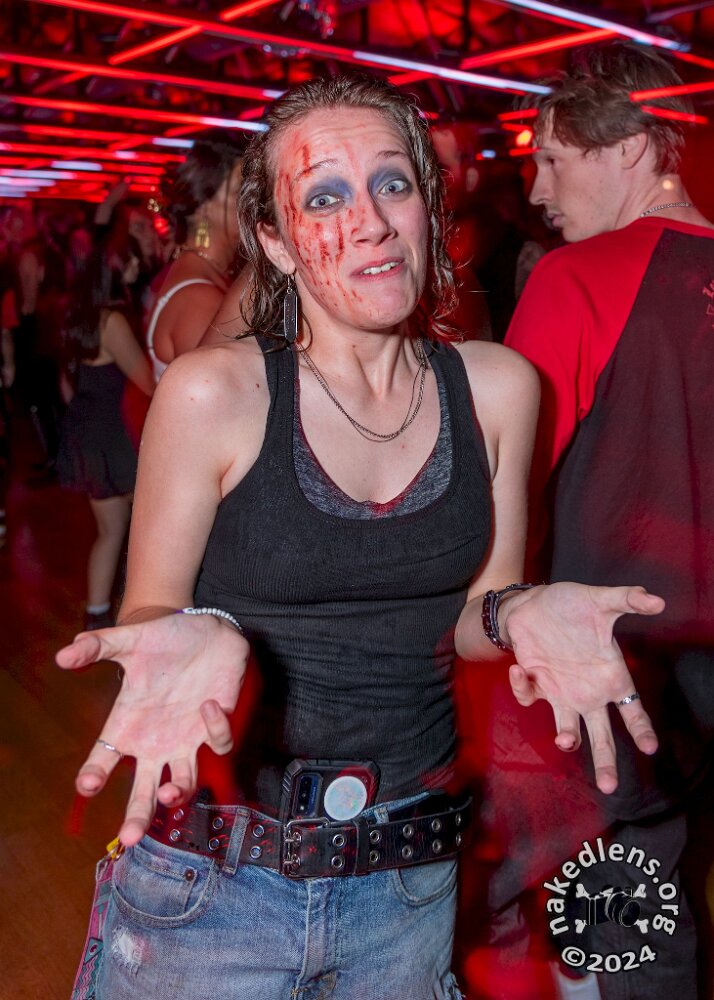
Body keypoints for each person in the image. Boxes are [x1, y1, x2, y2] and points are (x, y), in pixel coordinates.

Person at [57, 74, 664, 1000]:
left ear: (429, 208)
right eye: (324, 197)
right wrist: (198, 629)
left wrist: (518, 614)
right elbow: (153, 614)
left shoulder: (498, 388)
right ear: (276, 242)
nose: (371, 221)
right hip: (215, 883)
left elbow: (474, 613)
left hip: (406, 881)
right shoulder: (214, 392)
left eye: (392, 183)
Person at [492, 42, 714, 1000]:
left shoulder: (574, 277)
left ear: (631, 147)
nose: (537, 188)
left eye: (552, 157)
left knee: (634, 918)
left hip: (621, 670)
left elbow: (506, 482)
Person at [56, 234, 154, 630]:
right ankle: (145, 614)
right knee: (148, 526)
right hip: (116, 437)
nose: (137, 266)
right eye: (131, 260)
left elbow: (66, 387)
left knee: (109, 531)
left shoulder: (77, 316)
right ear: (115, 268)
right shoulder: (111, 321)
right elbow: (146, 380)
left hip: (87, 433)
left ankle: (96, 615)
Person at [145, 130, 248, 378]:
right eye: (240, 192)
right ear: (203, 206)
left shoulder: (200, 274)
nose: (253, 203)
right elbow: (223, 393)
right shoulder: (199, 299)